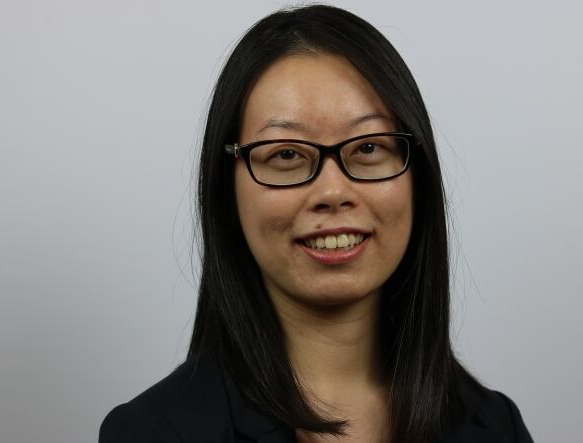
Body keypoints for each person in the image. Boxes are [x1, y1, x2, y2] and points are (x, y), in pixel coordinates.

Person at [100, 4, 533, 443]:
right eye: (285, 154)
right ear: (226, 190)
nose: (332, 192)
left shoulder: (496, 426)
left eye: (367, 147)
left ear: (416, 174)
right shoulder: (154, 432)